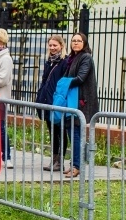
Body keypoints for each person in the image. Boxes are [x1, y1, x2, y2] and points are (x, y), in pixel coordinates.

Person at [63, 32, 99, 178]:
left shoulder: (86, 58)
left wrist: (64, 83)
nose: (75, 43)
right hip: (73, 100)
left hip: (82, 101)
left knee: (76, 133)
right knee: (73, 132)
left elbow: (81, 78)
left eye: (78, 41)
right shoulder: (73, 58)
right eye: (73, 41)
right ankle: (74, 164)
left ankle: (77, 166)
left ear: (84, 43)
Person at [35, 35, 68, 171]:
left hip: (57, 101)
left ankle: (60, 161)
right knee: (52, 131)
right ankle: (54, 159)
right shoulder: (49, 61)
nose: (52, 48)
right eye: (50, 45)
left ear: (61, 46)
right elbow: (45, 81)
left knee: (61, 131)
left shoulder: (64, 62)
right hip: (47, 100)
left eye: (55, 45)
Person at [0, 28, 14, 169]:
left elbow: (2, 79)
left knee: (0, 127)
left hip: (0, 98)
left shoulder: (5, 59)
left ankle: (6, 156)